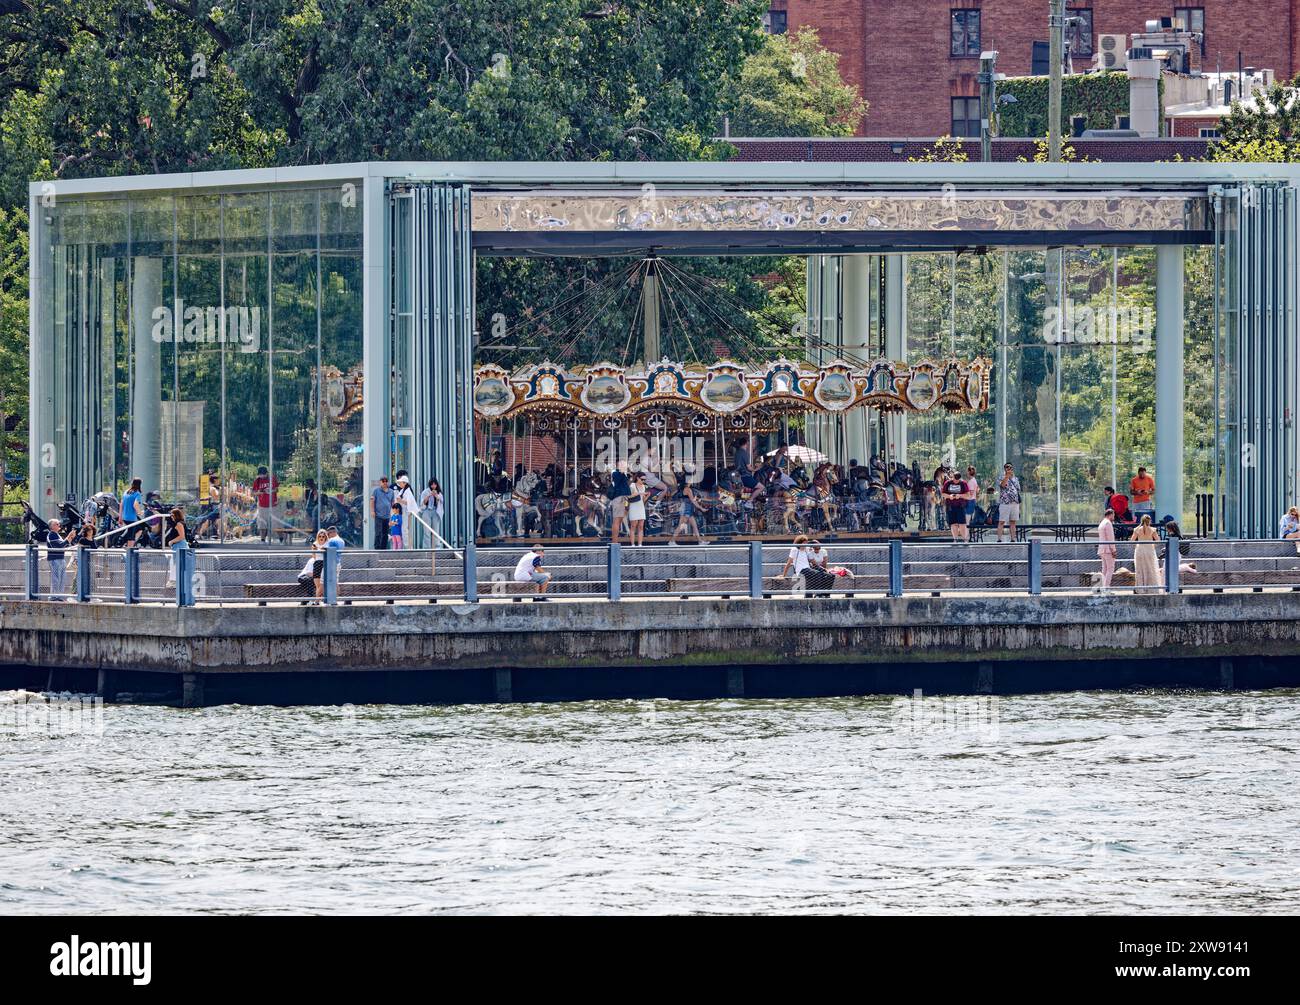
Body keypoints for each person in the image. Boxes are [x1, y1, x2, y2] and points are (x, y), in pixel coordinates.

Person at [1132, 513, 1161, 593]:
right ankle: (1151, 588)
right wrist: (1153, 545)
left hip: (1140, 550)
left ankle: (1140, 588)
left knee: (1140, 569)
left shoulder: (1137, 529)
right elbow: (1158, 540)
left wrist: (1137, 545)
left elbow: (1132, 540)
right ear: (1149, 521)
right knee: (1150, 569)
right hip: (1149, 550)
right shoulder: (1153, 529)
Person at [252, 465, 279, 542]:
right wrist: (261, 492)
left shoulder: (272, 478)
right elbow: (253, 492)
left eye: (263, 474)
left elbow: (277, 489)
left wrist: (271, 491)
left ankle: (281, 539)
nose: (262, 476)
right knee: (262, 523)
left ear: (266, 473)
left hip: (273, 505)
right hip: (262, 505)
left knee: (275, 523)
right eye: (260, 474)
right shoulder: (257, 481)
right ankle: (262, 540)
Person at [942, 468, 969, 542]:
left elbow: (968, 495)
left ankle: (964, 539)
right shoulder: (947, 483)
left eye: (957, 480)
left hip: (961, 506)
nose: (956, 481)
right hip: (951, 506)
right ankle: (955, 539)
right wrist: (949, 496)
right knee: (953, 524)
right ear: (952, 477)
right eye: (954, 479)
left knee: (962, 524)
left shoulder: (963, 483)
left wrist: (960, 496)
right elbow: (943, 494)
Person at [997, 463, 1021, 542]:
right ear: (1004, 469)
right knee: (1002, 521)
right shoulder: (1001, 477)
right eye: (1007, 467)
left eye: (1010, 467)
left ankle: (1013, 539)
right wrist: (1007, 476)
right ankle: (999, 539)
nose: (1009, 468)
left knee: (1013, 521)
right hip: (1005, 503)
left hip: (1015, 503)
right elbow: (1002, 485)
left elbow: (1018, 489)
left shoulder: (1016, 479)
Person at [608, 461, 631, 543]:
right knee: (617, 520)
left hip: (622, 498)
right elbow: (616, 481)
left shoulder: (621, 474)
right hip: (619, 498)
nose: (626, 466)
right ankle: (614, 542)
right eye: (624, 464)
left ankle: (615, 540)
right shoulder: (616, 473)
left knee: (620, 519)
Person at [164, 507, 187, 587]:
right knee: (174, 563)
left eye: (172, 515)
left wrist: (171, 541)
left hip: (179, 545)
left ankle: (174, 582)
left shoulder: (179, 524)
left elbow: (182, 536)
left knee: (175, 564)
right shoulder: (177, 523)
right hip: (177, 546)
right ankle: (175, 581)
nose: (171, 517)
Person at [44, 518, 67, 598]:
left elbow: (63, 544)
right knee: (56, 579)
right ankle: (54, 597)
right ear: (52, 526)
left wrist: (70, 538)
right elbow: (60, 545)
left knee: (62, 579)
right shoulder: (52, 535)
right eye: (57, 524)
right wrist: (68, 538)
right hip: (55, 559)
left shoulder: (57, 534)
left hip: (61, 559)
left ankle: (60, 596)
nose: (59, 525)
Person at [1096, 507, 1117, 592]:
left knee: (1104, 569)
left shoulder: (1102, 523)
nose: (1114, 517)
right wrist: (1114, 550)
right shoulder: (1108, 523)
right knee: (1110, 568)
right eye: (1113, 515)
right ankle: (1106, 588)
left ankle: (1102, 587)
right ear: (1111, 514)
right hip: (1107, 549)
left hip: (1102, 549)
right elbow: (1110, 538)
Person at [120, 477, 144, 548]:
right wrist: (140, 512)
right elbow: (135, 504)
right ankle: (129, 550)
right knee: (131, 536)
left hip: (125, 517)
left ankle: (129, 544)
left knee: (139, 530)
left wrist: (120, 517)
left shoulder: (126, 492)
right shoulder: (137, 494)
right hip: (132, 518)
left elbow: (121, 504)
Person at [370, 475, 393, 549]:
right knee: (378, 533)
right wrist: (372, 511)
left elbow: (392, 503)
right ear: (380, 482)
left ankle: (383, 549)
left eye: (386, 481)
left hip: (387, 516)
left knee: (385, 534)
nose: (385, 482)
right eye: (383, 481)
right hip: (378, 515)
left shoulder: (391, 492)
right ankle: (376, 549)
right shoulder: (376, 491)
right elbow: (372, 501)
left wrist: (392, 514)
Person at [421, 477, 445, 545]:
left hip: (435, 511)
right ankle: (427, 548)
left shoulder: (439, 493)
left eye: (435, 484)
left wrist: (436, 497)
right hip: (427, 511)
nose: (433, 486)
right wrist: (429, 495)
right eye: (432, 484)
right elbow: (423, 502)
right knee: (426, 530)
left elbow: (439, 504)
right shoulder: (425, 491)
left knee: (436, 530)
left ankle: (436, 546)